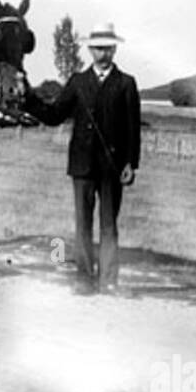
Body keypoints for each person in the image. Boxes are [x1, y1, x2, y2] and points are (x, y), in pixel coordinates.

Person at [26, 22, 141, 293]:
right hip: (82, 165)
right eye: (98, 48)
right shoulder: (78, 82)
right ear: (90, 50)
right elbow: (55, 115)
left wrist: (130, 164)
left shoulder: (126, 83)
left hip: (112, 167)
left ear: (114, 49)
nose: (103, 53)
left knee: (109, 226)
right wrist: (29, 99)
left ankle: (109, 280)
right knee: (83, 225)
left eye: (108, 48)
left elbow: (133, 129)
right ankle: (84, 279)